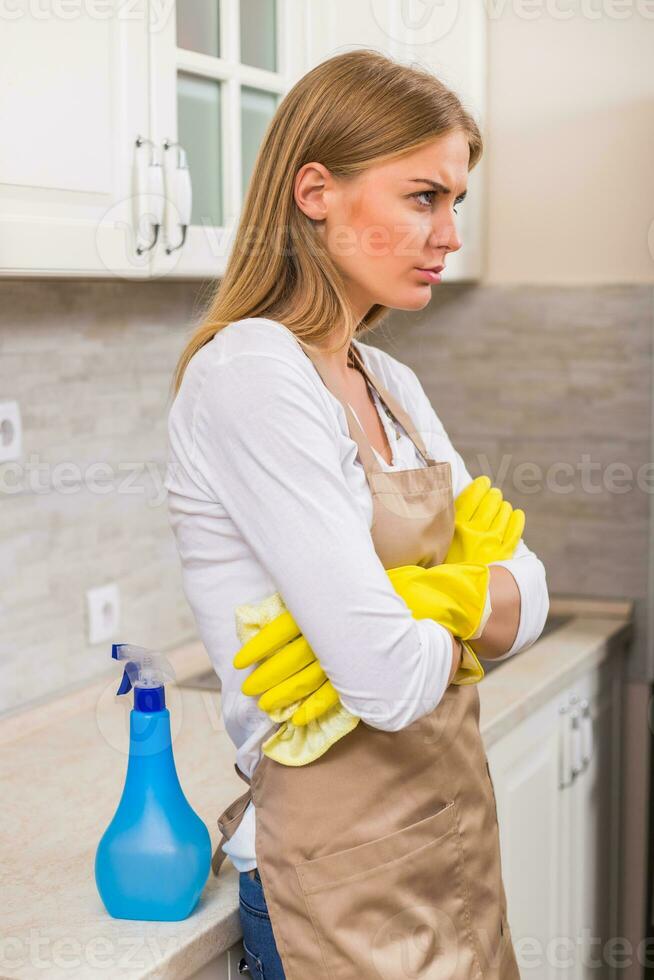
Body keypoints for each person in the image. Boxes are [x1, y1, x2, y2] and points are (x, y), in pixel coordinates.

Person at [165, 48, 549, 980]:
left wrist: (426, 598)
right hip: (334, 886)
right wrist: (468, 599)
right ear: (315, 191)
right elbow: (388, 681)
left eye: (455, 201)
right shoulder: (254, 373)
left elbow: (533, 595)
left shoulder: (391, 382)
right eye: (424, 196)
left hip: (450, 847)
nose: (449, 232)